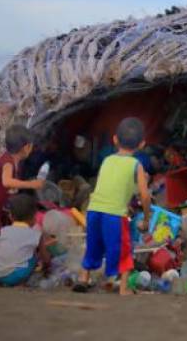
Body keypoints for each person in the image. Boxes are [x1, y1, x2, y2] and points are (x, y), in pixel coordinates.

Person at [73, 117, 151, 296]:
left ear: (115, 139)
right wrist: (146, 218)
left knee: (94, 245)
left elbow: (110, 187)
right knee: (124, 248)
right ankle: (123, 288)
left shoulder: (107, 160)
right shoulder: (136, 165)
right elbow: (145, 196)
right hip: (114, 215)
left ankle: (84, 278)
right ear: (142, 144)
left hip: (93, 211)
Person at [0, 125, 45, 247]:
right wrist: (31, 184)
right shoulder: (8, 162)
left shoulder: (13, 161)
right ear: (26, 147)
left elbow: (9, 186)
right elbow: (6, 181)